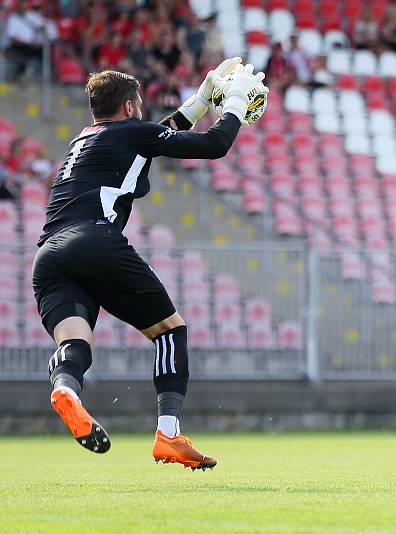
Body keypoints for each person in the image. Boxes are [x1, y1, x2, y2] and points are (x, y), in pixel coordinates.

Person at [33, 58, 266, 470]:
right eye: (139, 103)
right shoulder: (131, 134)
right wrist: (231, 104)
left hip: (49, 255)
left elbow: (157, 136)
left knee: (74, 343)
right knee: (169, 331)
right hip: (94, 240)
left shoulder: (85, 139)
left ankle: (66, 388)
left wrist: (198, 100)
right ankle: (168, 433)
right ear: (128, 108)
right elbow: (214, 146)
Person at [4, 0, 57, 80]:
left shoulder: (32, 16)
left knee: (49, 50)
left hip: (34, 46)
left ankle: (49, 76)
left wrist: (43, 30)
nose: (23, 8)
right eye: (21, 6)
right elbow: (13, 39)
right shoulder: (13, 18)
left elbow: (44, 28)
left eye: (25, 6)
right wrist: (29, 44)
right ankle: (18, 76)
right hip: (20, 46)